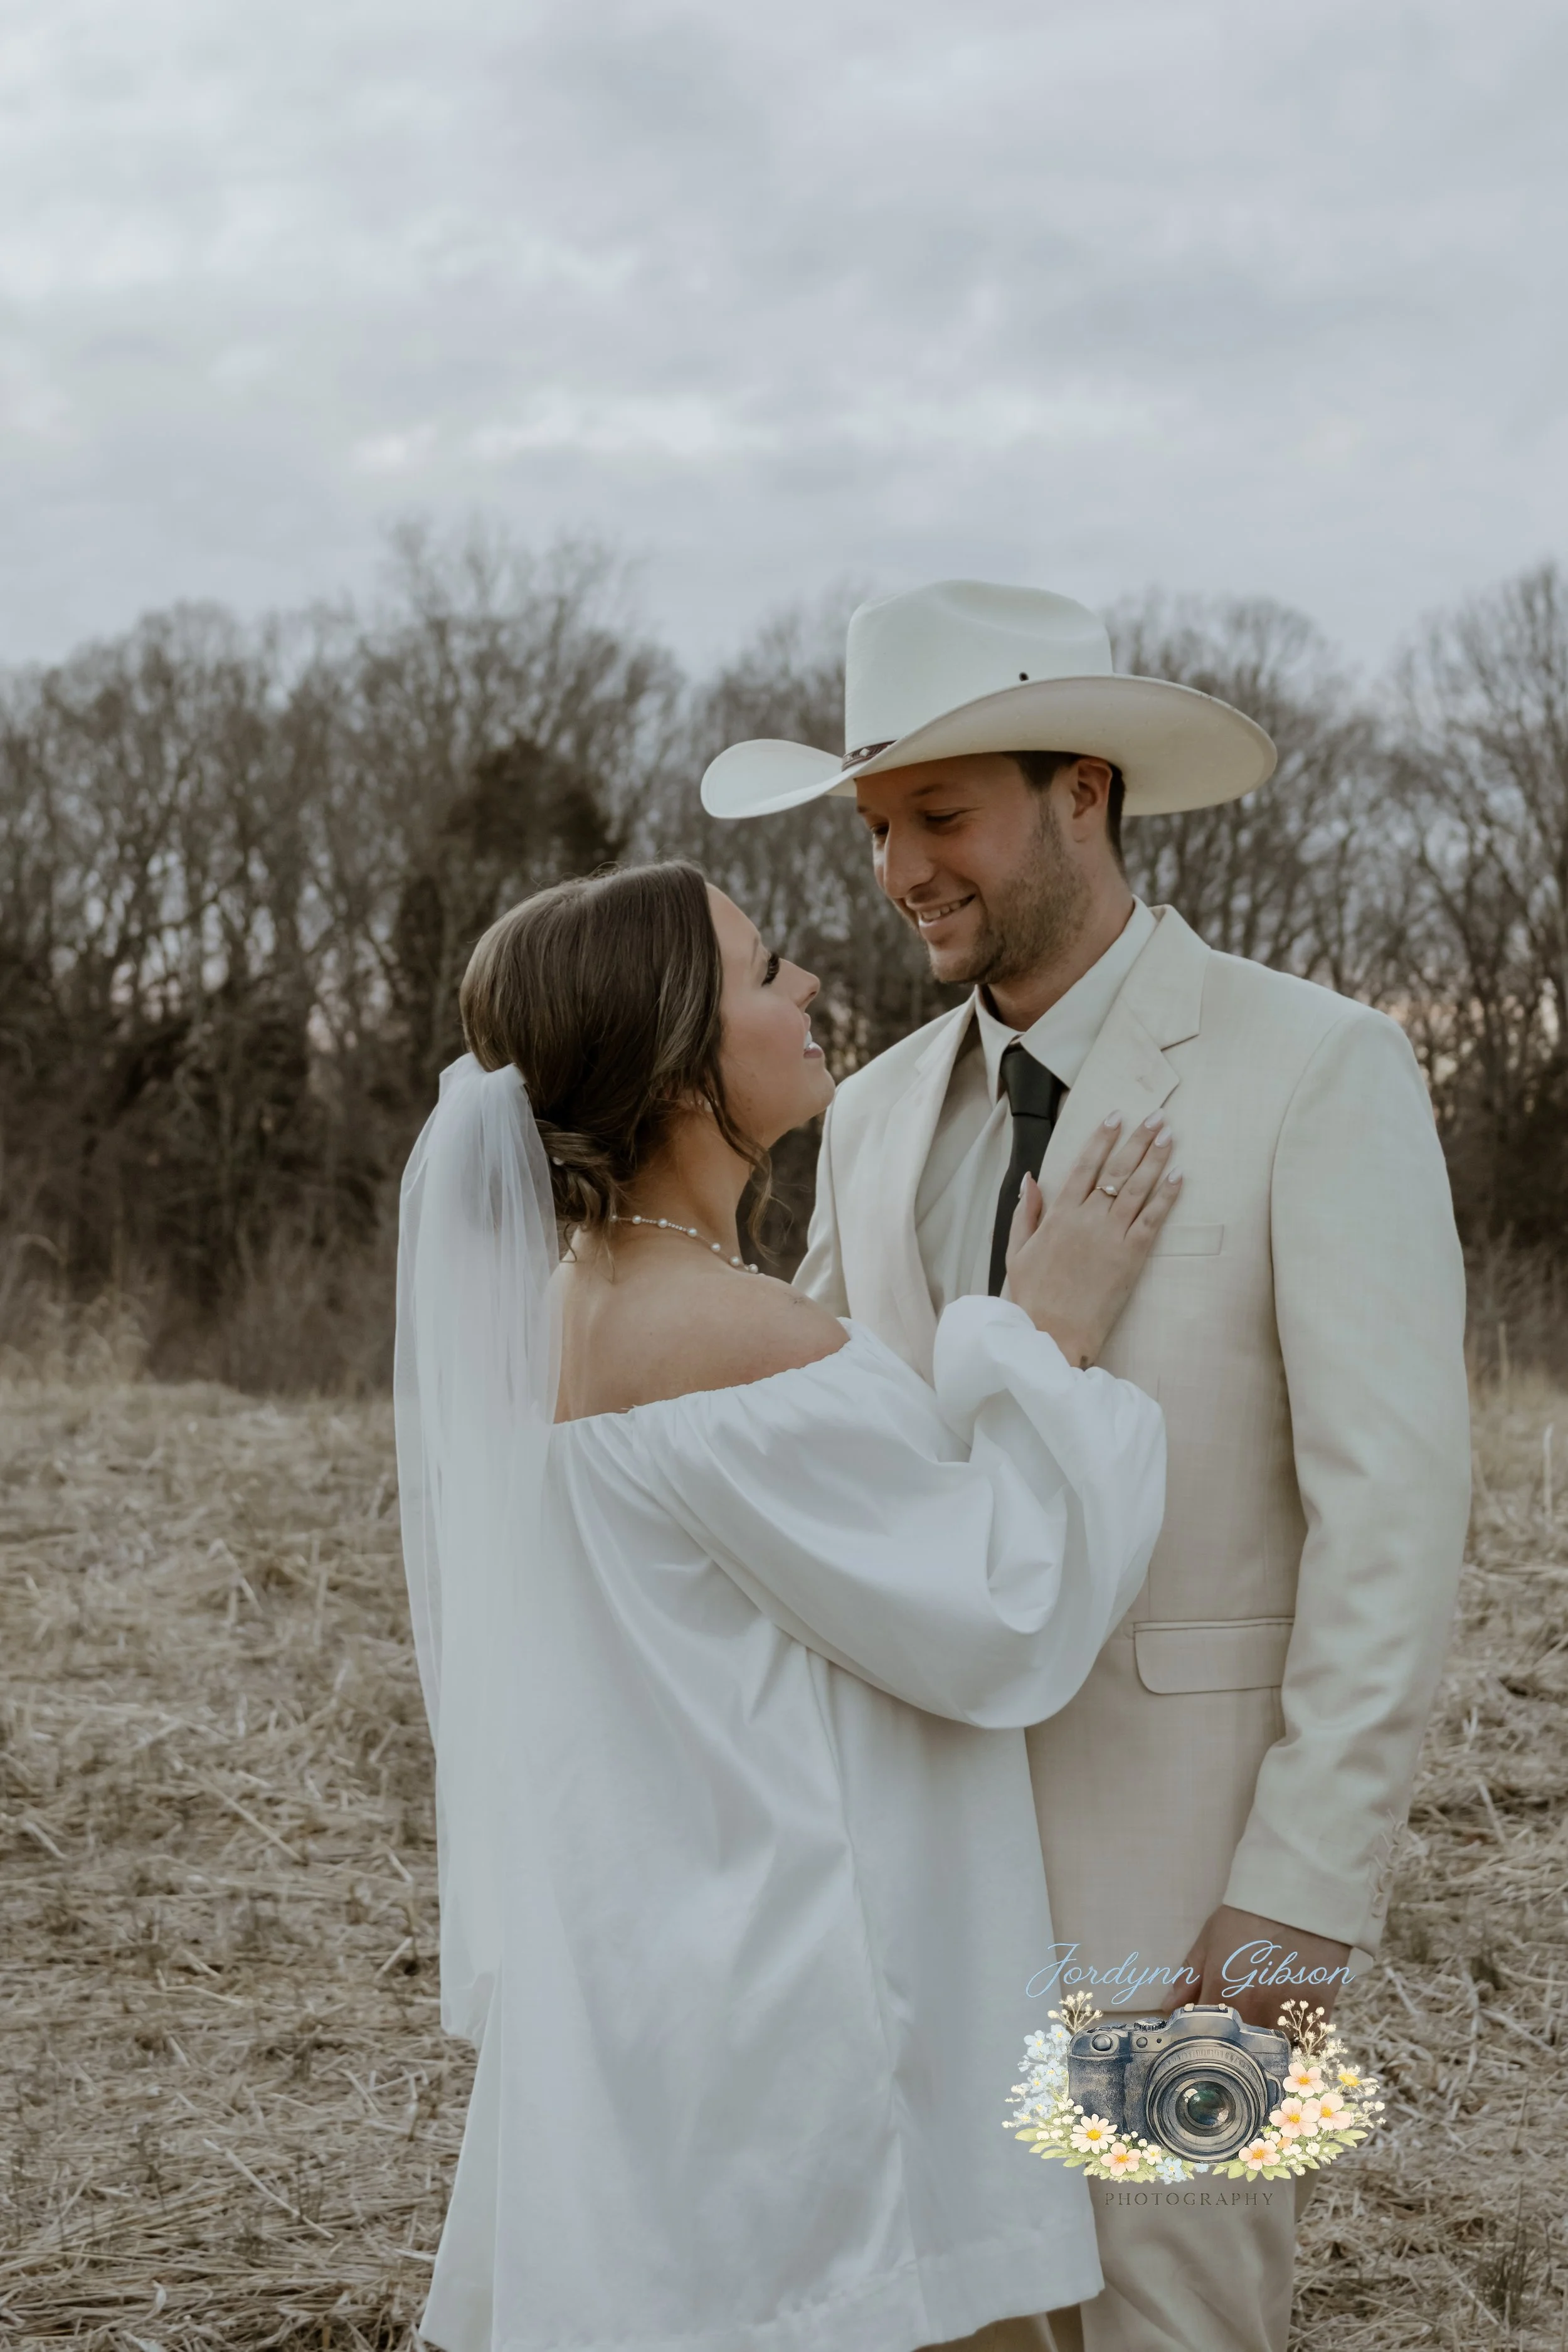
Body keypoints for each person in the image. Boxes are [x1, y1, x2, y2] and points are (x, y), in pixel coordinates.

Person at [702, 580, 1472, 2352]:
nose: (900, 868)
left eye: (941, 813)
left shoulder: (1313, 1068)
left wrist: (1293, 1908)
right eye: (880, 824)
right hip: (913, 1882)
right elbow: (844, 1472)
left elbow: (1392, 1519)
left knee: (1171, 2322)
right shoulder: (881, 1110)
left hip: (1185, 1899)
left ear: (1084, 794)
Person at [395, 857, 1189, 2352]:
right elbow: (1001, 1607)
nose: (810, 986)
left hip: (668, 1962)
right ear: (680, 1059)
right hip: (810, 1985)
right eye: (763, 973)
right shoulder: (725, 1340)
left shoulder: (579, 1304)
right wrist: (1046, 1339)